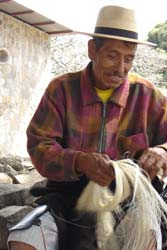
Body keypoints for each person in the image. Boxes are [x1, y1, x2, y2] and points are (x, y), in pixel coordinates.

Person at [8, 5, 167, 250]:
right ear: (92, 50)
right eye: (112, 56)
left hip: (132, 200)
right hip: (68, 199)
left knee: (145, 239)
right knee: (23, 242)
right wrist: (79, 161)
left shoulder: (147, 95)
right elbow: (39, 147)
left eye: (129, 58)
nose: (121, 68)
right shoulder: (61, 90)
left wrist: (162, 152)